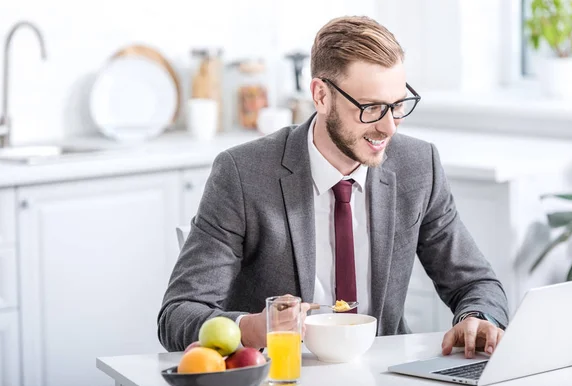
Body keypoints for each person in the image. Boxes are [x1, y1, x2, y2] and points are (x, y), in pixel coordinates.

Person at [158, 15, 509, 359]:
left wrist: (478, 318)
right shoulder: (242, 174)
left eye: (398, 105)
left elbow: (476, 283)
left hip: (384, 377)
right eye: (370, 108)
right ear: (321, 96)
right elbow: (179, 314)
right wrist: (253, 328)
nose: (389, 128)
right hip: (281, 378)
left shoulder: (418, 166)